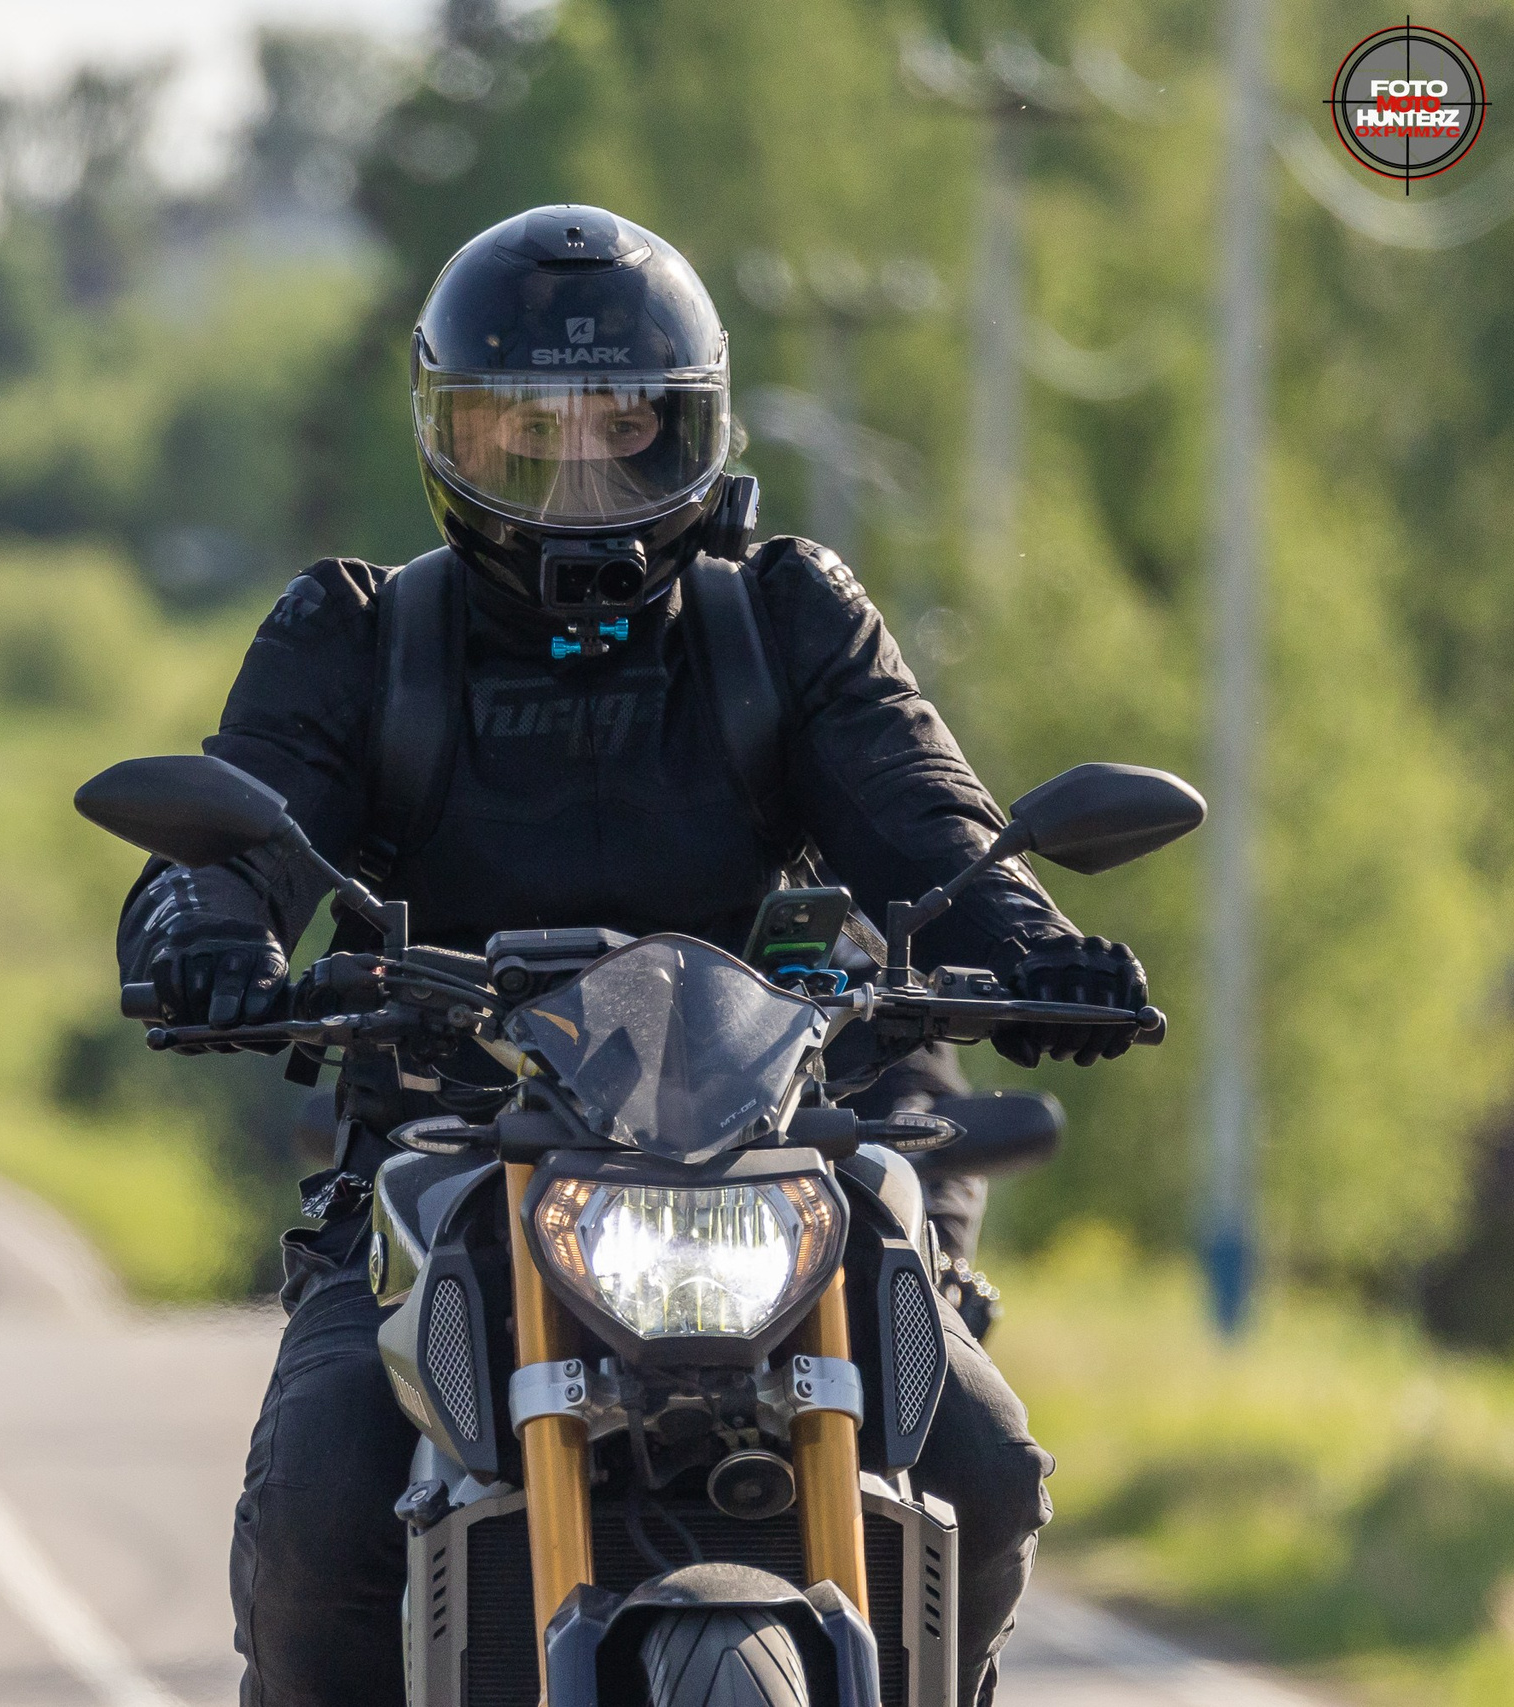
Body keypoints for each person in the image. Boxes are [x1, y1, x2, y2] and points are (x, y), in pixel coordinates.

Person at [113, 205, 1147, 1707]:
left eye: (628, 429)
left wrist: (1036, 950)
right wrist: (207, 937)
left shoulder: (785, 619)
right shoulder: (359, 635)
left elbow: (927, 822)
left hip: (762, 1154)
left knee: (979, 1464)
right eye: (529, 438)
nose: (583, 477)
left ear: (699, 432)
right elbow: (235, 826)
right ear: (449, 439)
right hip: (451, 1154)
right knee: (320, 1505)